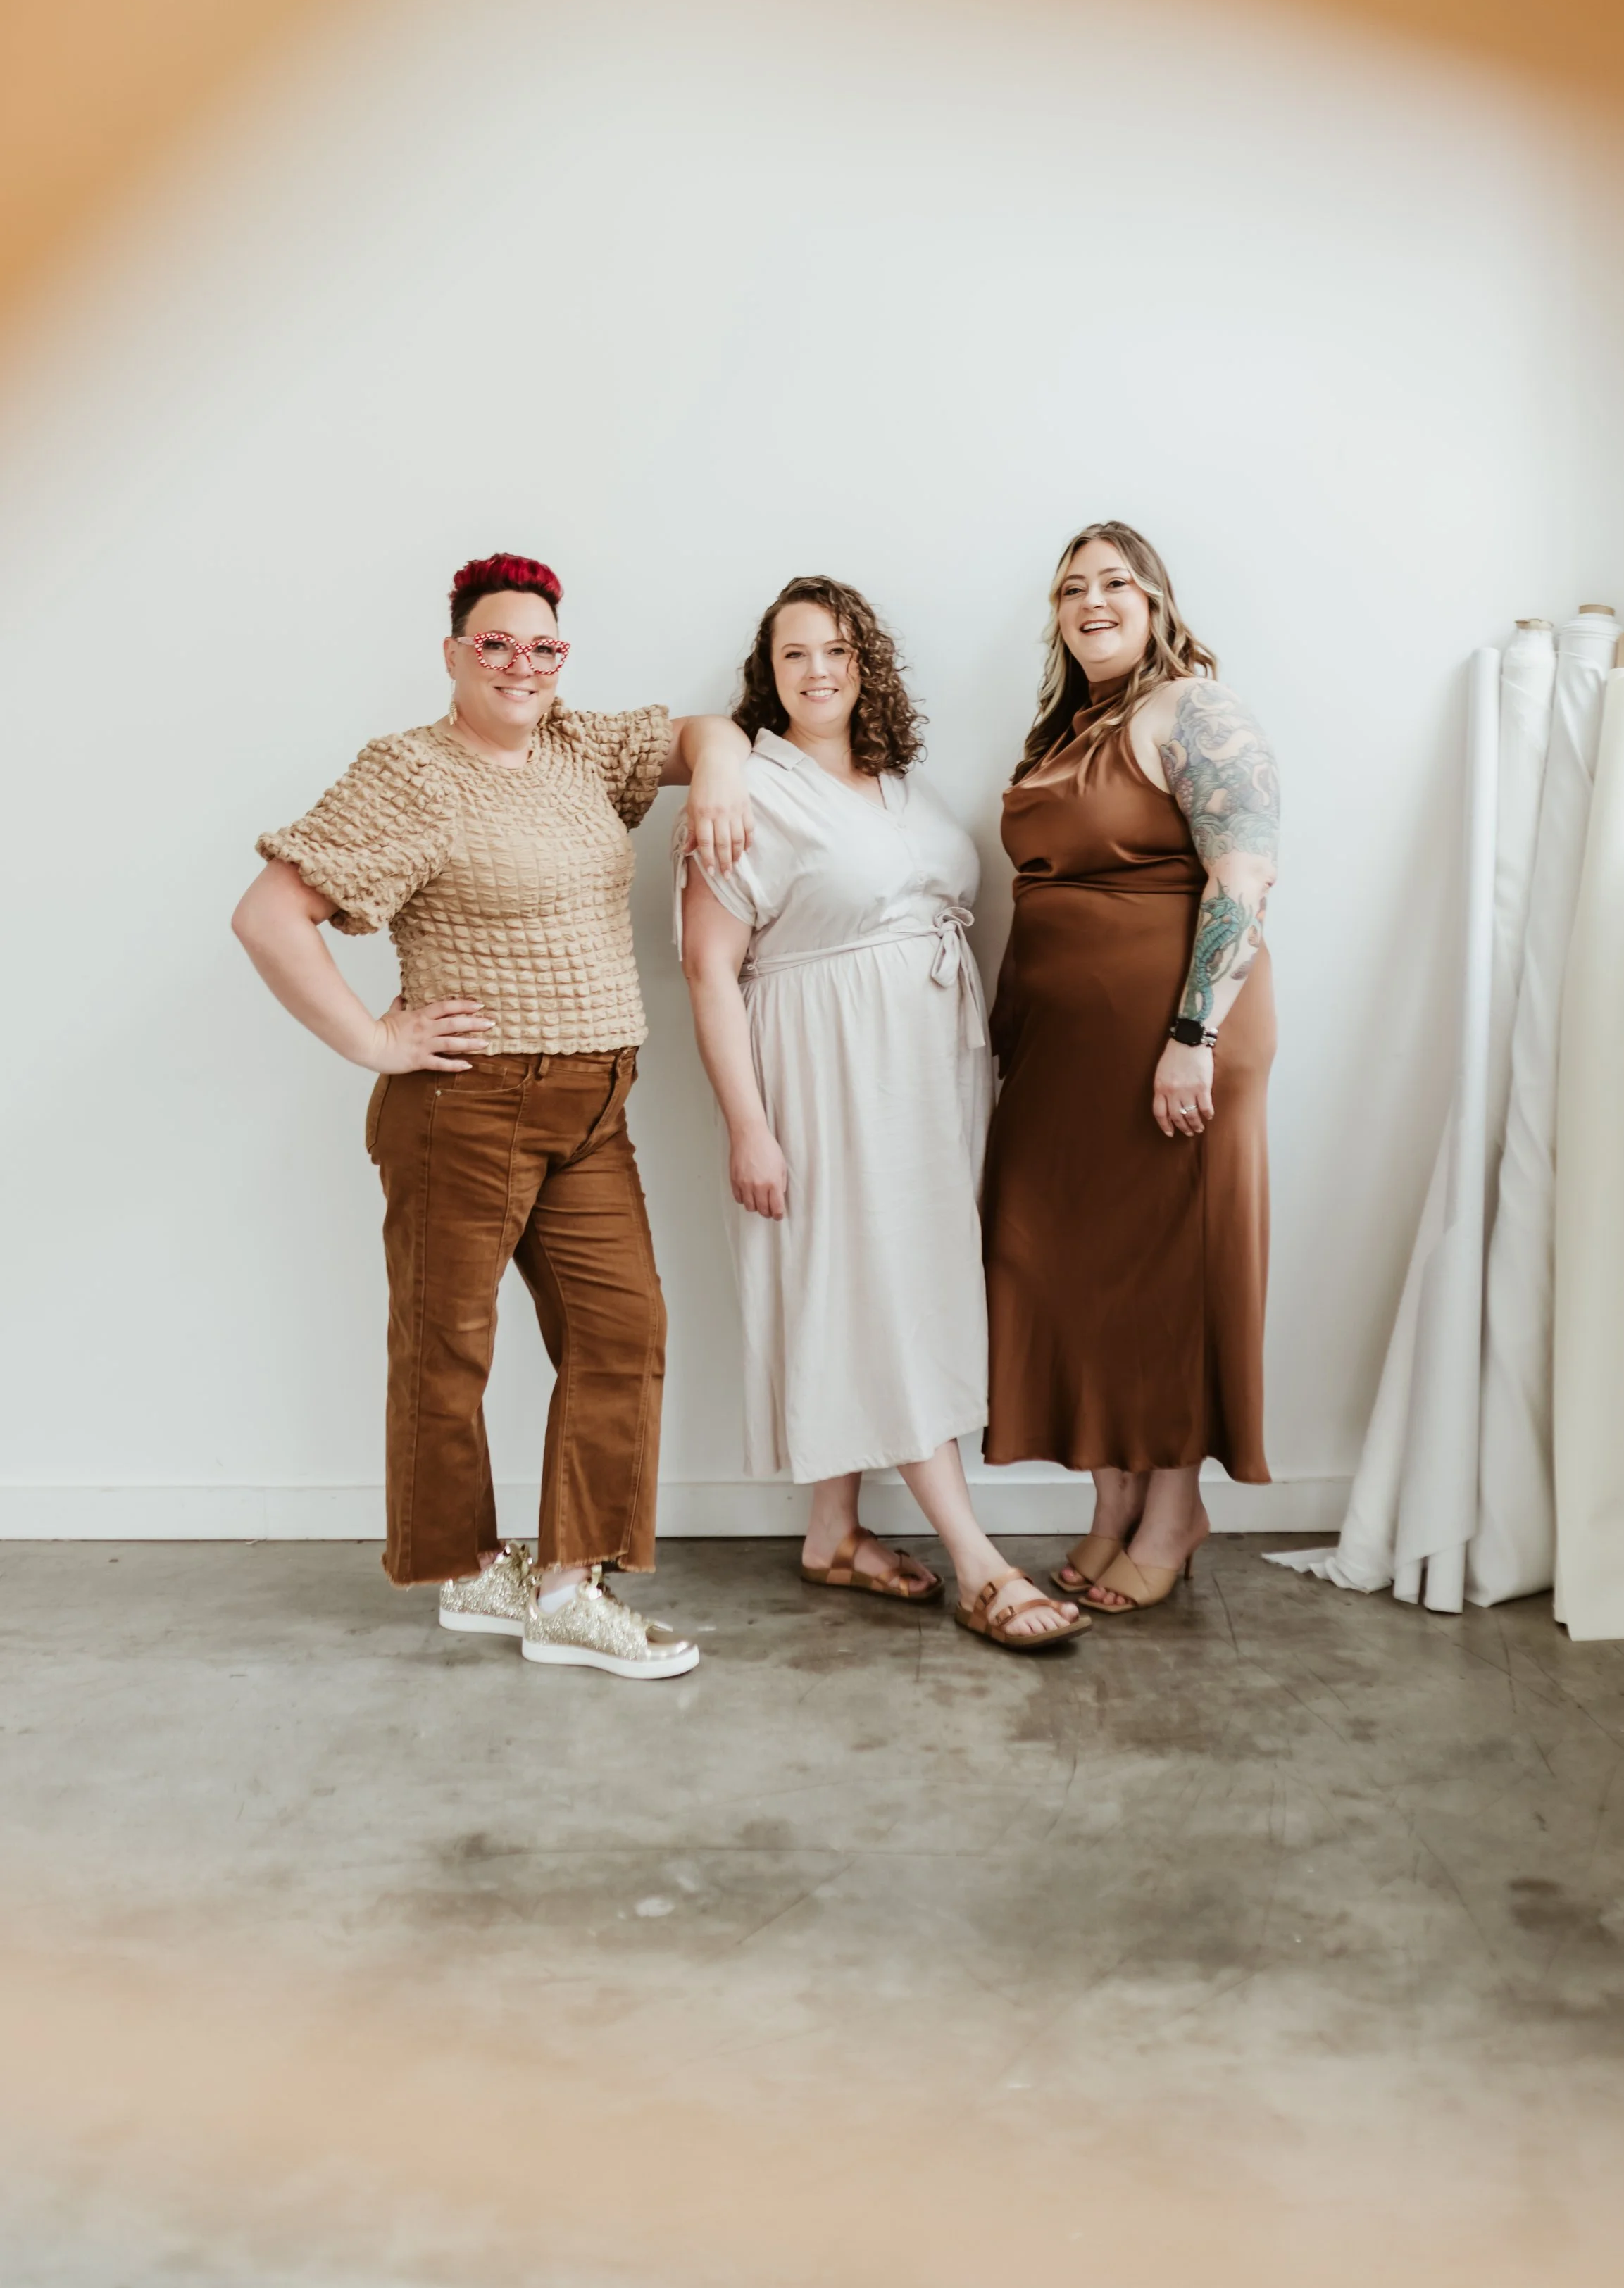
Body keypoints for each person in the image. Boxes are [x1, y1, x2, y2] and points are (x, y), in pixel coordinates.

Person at [232, 551, 753, 1680]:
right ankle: (466, 1570)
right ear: (453, 654)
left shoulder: (579, 746)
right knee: (448, 1349)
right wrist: (375, 1042)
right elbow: (271, 914)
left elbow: (712, 730)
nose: (523, 664)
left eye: (545, 646)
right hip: (466, 1108)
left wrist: (717, 781)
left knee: (626, 1333)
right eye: (496, 644)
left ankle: (570, 1585)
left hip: (594, 1102)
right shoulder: (409, 775)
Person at [678, 575, 1085, 1651]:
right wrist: (749, 1126)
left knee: (885, 1287)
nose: (819, 670)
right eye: (795, 654)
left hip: (923, 1081)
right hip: (824, 1076)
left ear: (867, 665)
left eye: (839, 651)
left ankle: (832, 1533)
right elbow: (709, 971)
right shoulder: (748, 793)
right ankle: (980, 1561)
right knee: (876, 1291)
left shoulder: (898, 787)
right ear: (768, 676)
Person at [982, 523, 1278, 1613]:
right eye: (1070, 588)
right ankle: (1112, 1503)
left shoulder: (1194, 709)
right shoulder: (1070, 726)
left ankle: (1174, 1509)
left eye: (1114, 582)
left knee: (1166, 1279)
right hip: (1066, 1059)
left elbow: (1243, 878)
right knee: (1061, 1273)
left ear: (1156, 601)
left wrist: (1191, 1036)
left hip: (1177, 1043)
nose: (1090, 601)